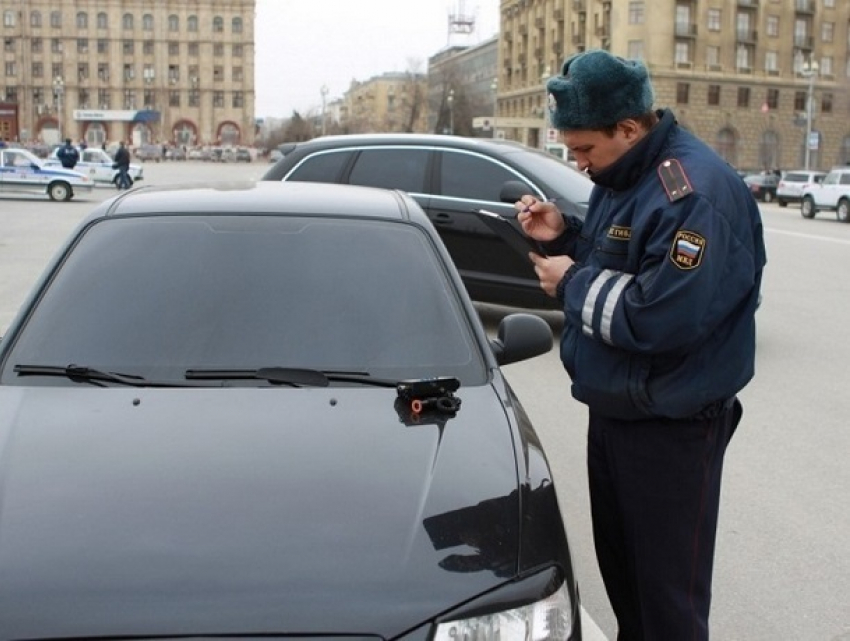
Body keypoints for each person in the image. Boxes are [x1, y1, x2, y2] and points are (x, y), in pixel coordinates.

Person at [515, 50, 766, 641]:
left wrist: (571, 281)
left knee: (667, 603)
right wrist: (567, 234)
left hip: (669, 427)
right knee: (628, 586)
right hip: (619, 412)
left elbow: (660, 316)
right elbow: (626, 260)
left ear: (628, 127)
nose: (578, 163)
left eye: (584, 149)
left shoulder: (692, 194)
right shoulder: (623, 176)